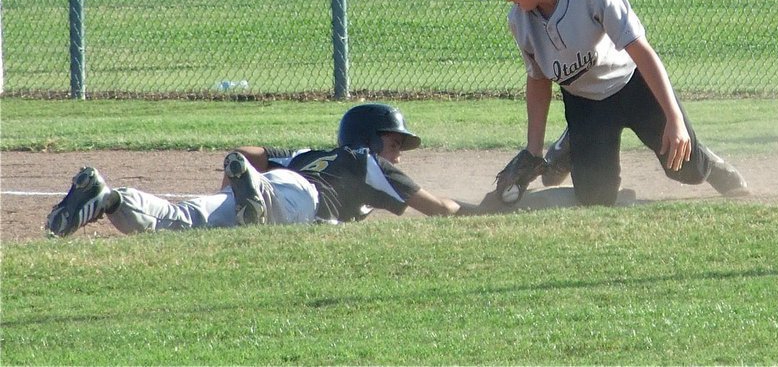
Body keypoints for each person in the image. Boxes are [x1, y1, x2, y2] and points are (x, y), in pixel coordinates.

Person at [478, 0, 749, 206]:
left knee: (687, 169)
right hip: (586, 105)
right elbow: (538, 80)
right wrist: (533, 151)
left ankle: (709, 164)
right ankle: (574, 140)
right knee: (595, 198)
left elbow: (642, 52)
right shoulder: (520, 21)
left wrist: (674, 118)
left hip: (633, 87)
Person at [44, 103, 482, 237]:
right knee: (274, 204)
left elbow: (247, 151)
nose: (398, 154)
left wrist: (234, 186)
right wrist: (482, 211)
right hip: (298, 200)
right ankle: (250, 193)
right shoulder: (370, 163)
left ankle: (108, 197)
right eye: (393, 142)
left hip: (277, 182)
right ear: (369, 140)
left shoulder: (312, 153)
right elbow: (438, 208)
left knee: (181, 220)